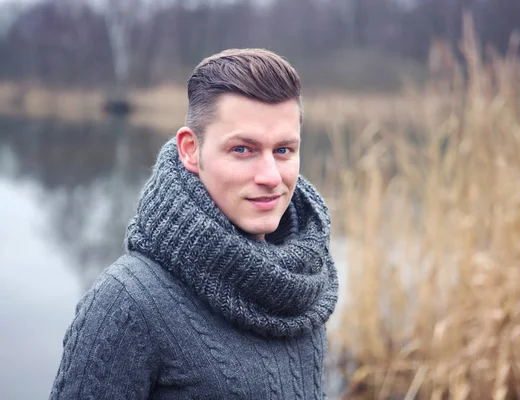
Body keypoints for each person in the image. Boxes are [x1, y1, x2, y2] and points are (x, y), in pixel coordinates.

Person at [49, 48, 339, 399]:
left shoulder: (303, 288)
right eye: (243, 150)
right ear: (190, 149)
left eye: (283, 150)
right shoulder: (126, 302)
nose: (270, 176)